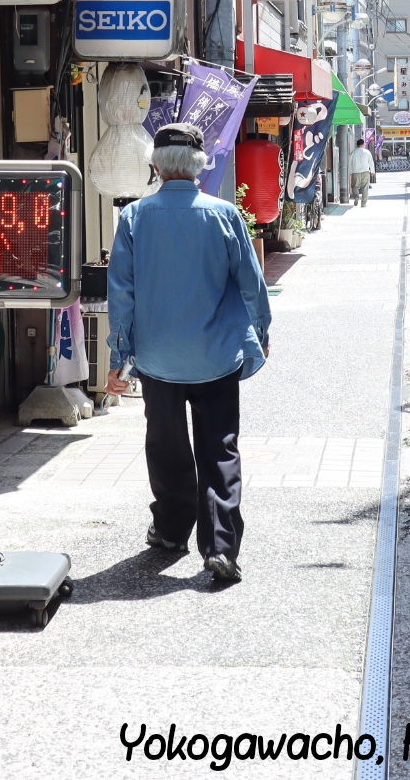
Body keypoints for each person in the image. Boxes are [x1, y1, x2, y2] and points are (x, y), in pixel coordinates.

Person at [105, 123, 272, 582]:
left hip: (157, 357)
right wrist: (261, 328)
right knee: (219, 447)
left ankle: (171, 529)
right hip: (215, 354)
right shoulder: (224, 215)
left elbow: (121, 294)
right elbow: (251, 281)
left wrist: (119, 358)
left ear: (156, 165)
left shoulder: (135, 217)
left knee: (166, 445)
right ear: (201, 165)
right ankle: (220, 547)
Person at [350, 139, 376, 206]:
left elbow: (350, 163)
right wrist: (372, 171)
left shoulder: (353, 152)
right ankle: (363, 203)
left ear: (357, 145)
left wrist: (350, 172)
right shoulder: (367, 152)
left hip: (356, 172)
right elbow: (371, 162)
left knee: (355, 186)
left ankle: (356, 196)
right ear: (363, 144)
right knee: (365, 188)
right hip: (365, 172)